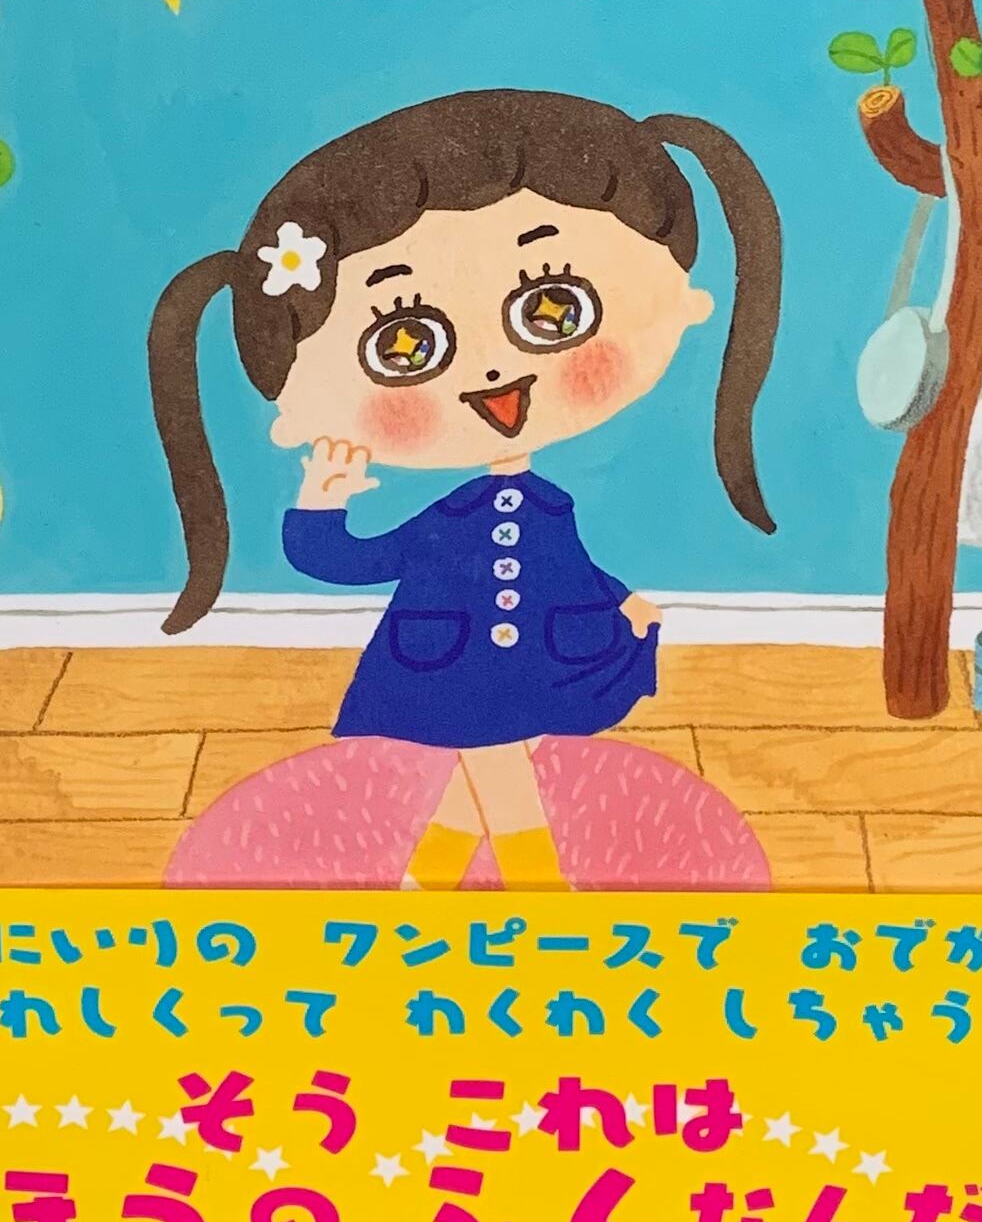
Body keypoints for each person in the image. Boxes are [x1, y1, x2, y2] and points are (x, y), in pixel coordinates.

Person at [149, 88, 782, 890]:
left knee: (488, 761)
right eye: (404, 344)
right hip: (446, 665)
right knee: (498, 765)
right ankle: (539, 889)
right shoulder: (443, 522)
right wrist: (322, 500)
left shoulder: (550, 505)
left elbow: (565, 569)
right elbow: (345, 561)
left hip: (533, 659)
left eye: (553, 306)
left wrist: (621, 602)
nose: (492, 372)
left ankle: (428, 881)